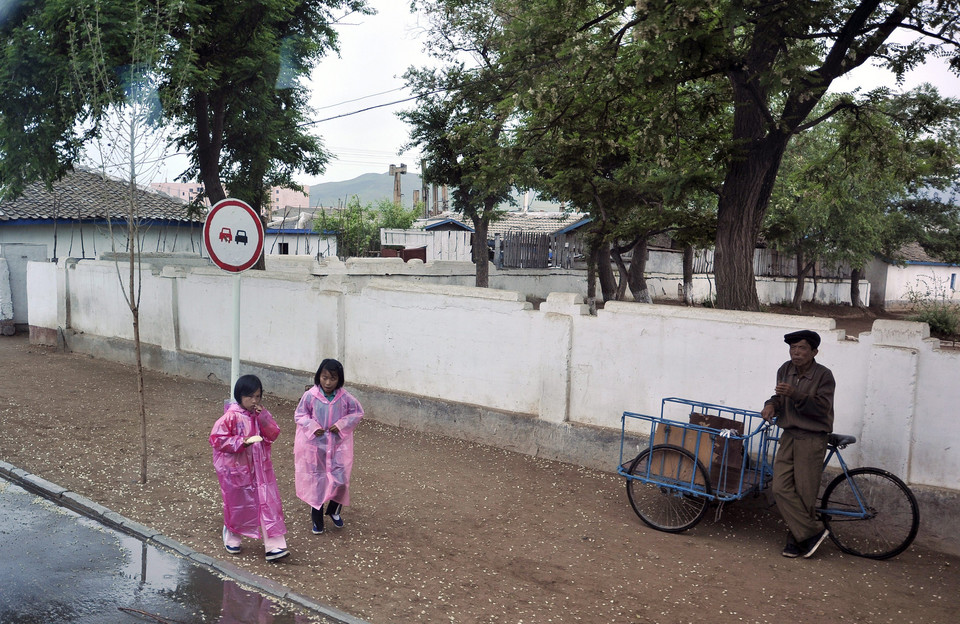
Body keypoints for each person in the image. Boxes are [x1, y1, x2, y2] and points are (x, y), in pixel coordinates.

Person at [761, 329, 836, 559]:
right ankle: (812, 532)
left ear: (814, 352)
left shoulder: (824, 376)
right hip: (789, 434)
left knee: (805, 492)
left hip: (812, 437)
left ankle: (796, 538)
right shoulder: (785, 369)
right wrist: (771, 404)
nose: (796, 353)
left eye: (802, 348)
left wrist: (795, 395)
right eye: (793, 348)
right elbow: (779, 397)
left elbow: (822, 408)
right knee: (779, 488)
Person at [209, 374, 289, 562]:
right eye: (250, 397)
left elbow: (273, 433)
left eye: (258, 396)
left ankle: (275, 545)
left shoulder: (260, 414)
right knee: (238, 504)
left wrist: (264, 417)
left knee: (268, 503)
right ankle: (232, 534)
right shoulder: (230, 417)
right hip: (237, 470)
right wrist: (240, 442)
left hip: (261, 469)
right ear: (240, 396)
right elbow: (217, 439)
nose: (254, 401)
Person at [294, 358, 364, 534]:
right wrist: (312, 426)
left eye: (332, 378)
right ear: (319, 376)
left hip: (337, 448)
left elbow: (357, 413)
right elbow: (300, 415)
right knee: (317, 483)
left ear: (338, 379)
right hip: (315, 448)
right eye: (324, 377)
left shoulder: (345, 398)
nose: (328, 382)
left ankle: (334, 510)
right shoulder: (310, 396)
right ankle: (317, 520)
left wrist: (341, 425)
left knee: (341, 481)